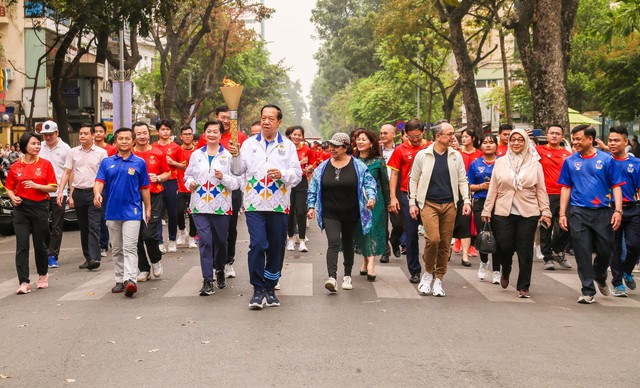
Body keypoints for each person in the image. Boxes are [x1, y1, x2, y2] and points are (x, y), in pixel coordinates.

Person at [232, 104, 302, 309]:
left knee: (276, 248)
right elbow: (237, 172)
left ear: (279, 122)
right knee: (258, 244)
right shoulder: (248, 144)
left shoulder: (287, 146)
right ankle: (257, 288)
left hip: (279, 205)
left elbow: (296, 176)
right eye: (263, 118)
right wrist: (235, 156)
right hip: (254, 203)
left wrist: (282, 175)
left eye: (271, 118)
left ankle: (270, 288)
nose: (266, 121)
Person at [558, 125, 625, 304]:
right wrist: (562, 213)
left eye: (579, 138)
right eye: (574, 139)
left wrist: (618, 210)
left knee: (606, 249)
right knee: (582, 252)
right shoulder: (570, 161)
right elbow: (566, 187)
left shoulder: (607, 160)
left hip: (603, 212)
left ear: (590, 139)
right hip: (578, 212)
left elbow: (617, 185)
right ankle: (587, 290)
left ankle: (600, 274)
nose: (576, 142)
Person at [481, 129, 551, 298]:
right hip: (503, 211)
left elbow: (541, 189)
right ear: (509, 142)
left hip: (528, 211)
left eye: (520, 140)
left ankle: (523, 285)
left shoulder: (535, 164)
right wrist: (487, 209)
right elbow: (493, 189)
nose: (517, 143)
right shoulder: (501, 162)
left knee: (525, 249)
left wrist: (546, 211)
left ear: (526, 142)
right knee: (504, 246)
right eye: (513, 140)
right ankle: (506, 269)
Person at [307, 132, 376, 292]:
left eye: (336, 146)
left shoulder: (358, 165)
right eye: (331, 145)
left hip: (351, 212)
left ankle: (347, 276)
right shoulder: (323, 167)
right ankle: (332, 277)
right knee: (333, 243)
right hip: (330, 212)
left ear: (345, 148)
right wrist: (311, 206)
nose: (331, 149)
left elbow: (369, 183)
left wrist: (371, 198)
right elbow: (313, 188)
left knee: (347, 243)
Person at [409, 122, 471, 297]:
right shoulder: (423, 155)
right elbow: (413, 179)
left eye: (453, 134)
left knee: (445, 244)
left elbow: (462, 180)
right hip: (429, 204)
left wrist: (466, 201)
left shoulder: (455, 156)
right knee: (433, 239)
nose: (453, 137)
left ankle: (439, 279)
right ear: (438, 136)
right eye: (449, 134)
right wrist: (412, 202)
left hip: (450, 205)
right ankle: (428, 274)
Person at [184, 120, 240, 295]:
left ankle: (221, 270)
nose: (211, 134)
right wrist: (190, 183)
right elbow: (188, 176)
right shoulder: (196, 155)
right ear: (204, 134)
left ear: (221, 135)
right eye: (208, 131)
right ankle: (207, 280)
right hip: (199, 205)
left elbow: (237, 182)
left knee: (221, 241)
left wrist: (223, 176)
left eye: (215, 132)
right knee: (205, 242)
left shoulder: (229, 156)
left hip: (221, 206)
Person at [94, 127, 151, 297]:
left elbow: (144, 187)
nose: (124, 141)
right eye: (121, 139)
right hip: (112, 211)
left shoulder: (139, 162)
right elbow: (99, 181)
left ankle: (130, 280)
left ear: (133, 141)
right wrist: (97, 194)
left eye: (127, 138)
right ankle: (119, 280)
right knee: (117, 248)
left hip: (132, 211)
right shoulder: (107, 162)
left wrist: (147, 208)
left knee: (130, 247)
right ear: (116, 141)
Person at [199, 106, 249, 278]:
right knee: (211, 230)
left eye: (229, 118)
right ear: (216, 117)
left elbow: (242, 166)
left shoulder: (240, 137)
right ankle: (214, 263)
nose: (226, 120)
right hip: (210, 191)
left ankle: (228, 262)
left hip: (231, 189)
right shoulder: (206, 137)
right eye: (222, 117)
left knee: (230, 228)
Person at [5, 132, 57, 294]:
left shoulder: (45, 164)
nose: (37, 146)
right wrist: (13, 197)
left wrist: (36, 186)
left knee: (39, 243)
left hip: (40, 206)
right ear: (24, 145)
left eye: (38, 144)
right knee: (22, 244)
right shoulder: (15, 166)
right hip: (21, 209)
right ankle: (24, 282)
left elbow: (53, 187)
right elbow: (9, 187)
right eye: (33, 143)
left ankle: (42, 275)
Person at [57, 123, 108, 270]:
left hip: (94, 193)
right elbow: (67, 172)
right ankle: (88, 257)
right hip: (78, 192)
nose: (82, 136)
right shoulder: (73, 152)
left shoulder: (101, 153)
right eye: (81, 134)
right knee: (84, 227)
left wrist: (100, 193)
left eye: (86, 133)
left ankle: (94, 257)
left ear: (92, 135)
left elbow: (104, 174)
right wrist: (62, 192)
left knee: (93, 225)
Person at [387, 118, 430, 284]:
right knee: (411, 235)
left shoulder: (431, 147)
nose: (415, 139)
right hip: (407, 196)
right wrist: (393, 197)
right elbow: (395, 174)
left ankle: (430, 266)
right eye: (411, 136)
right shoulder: (400, 150)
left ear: (423, 132)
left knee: (433, 236)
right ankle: (415, 271)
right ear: (406, 134)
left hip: (429, 196)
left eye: (418, 136)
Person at [132, 122, 171, 282]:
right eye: (138, 133)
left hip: (154, 196)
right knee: (135, 235)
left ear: (149, 134)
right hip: (133, 199)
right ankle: (143, 268)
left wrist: (159, 178)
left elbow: (167, 172)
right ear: (134, 135)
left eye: (144, 133)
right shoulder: (129, 154)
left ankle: (155, 260)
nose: (142, 136)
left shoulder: (158, 153)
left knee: (149, 234)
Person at [606, 126, 640, 297]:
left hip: (633, 210)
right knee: (615, 248)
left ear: (625, 142)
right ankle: (617, 283)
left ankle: (627, 271)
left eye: (616, 140)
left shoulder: (636, 164)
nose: (612, 143)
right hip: (610, 210)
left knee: (634, 245)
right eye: (610, 140)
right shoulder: (604, 161)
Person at [535, 124, 573, 270]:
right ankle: (547, 257)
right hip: (546, 194)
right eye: (552, 133)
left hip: (564, 194)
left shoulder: (568, 155)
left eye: (558, 133)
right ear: (547, 135)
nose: (554, 135)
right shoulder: (540, 151)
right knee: (546, 226)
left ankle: (557, 250)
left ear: (562, 136)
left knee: (566, 225)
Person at [353, 128, 388, 281]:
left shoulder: (379, 162)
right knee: (362, 231)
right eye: (358, 139)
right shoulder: (352, 160)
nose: (360, 142)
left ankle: (371, 265)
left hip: (375, 201)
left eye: (363, 139)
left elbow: (385, 183)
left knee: (372, 229)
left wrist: (389, 202)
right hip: (357, 201)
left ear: (371, 143)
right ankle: (365, 261)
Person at [39, 120, 71, 269]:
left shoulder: (65, 149)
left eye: (50, 135)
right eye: (45, 135)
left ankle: (52, 255)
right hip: (42, 191)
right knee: (43, 225)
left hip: (60, 192)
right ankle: (45, 251)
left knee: (57, 225)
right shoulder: (39, 147)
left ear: (57, 133)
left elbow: (69, 171)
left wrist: (69, 193)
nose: (47, 138)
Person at [468, 133, 499, 283]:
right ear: (480, 145)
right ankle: (484, 261)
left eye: (491, 142)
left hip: (499, 203)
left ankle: (497, 270)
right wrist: (481, 186)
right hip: (481, 201)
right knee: (484, 234)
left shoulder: (502, 163)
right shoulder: (475, 164)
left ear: (496, 146)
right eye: (485, 142)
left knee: (499, 236)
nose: (488, 145)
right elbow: (469, 186)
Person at [153, 119, 185, 253]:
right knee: (157, 213)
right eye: (162, 129)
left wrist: (173, 163)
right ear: (158, 131)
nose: (165, 132)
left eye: (167, 129)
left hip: (171, 182)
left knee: (173, 212)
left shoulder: (176, 148)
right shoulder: (153, 147)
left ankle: (172, 240)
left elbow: (183, 165)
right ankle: (159, 241)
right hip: (156, 182)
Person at [453, 129, 483, 264]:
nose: (464, 139)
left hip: (474, 191)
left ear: (473, 139)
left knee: (468, 220)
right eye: (462, 137)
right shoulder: (457, 154)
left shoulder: (479, 155)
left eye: (466, 137)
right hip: (457, 190)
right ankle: (456, 242)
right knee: (454, 219)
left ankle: (469, 247)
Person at [286, 126, 315, 252]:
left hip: (301, 182)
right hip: (288, 182)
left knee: (301, 212)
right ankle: (291, 239)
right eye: (294, 134)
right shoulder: (285, 149)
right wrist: (300, 162)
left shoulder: (307, 150)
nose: (296, 137)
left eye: (299, 135)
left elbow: (312, 164)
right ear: (290, 135)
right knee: (290, 211)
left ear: (302, 137)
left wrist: (308, 168)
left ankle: (302, 240)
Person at [379, 123, 403, 263]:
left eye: (385, 133)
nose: (382, 136)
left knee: (399, 223)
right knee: (382, 223)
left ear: (393, 135)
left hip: (397, 189)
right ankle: (385, 251)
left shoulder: (400, 150)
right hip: (380, 189)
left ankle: (395, 240)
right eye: (381, 133)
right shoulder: (376, 150)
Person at [92, 122, 114, 257]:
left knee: (103, 216)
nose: (98, 134)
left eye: (101, 131)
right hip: (91, 185)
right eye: (96, 131)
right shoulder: (88, 149)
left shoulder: (111, 150)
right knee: (95, 217)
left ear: (105, 134)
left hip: (107, 186)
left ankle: (104, 244)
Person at [176, 125, 198, 248]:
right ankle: (182, 230)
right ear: (181, 136)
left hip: (194, 188)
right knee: (179, 212)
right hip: (180, 187)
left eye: (190, 134)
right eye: (185, 134)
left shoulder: (198, 151)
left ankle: (192, 238)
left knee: (192, 214)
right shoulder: (177, 150)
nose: (188, 136)